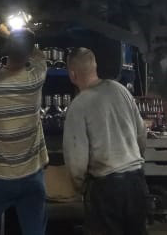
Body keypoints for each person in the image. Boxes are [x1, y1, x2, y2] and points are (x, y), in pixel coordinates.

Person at [62, 47, 149, 235]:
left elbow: (76, 161)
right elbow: (142, 133)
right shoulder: (120, 90)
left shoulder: (79, 105)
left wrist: (80, 188)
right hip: (136, 183)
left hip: (107, 189)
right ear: (95, 66)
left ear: (72, 74)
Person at [0, 20, 48, 235]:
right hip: (31, 176)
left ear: (6, 51)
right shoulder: (35, 80)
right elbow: (38, 56)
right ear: (27, 53)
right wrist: (13, 35)